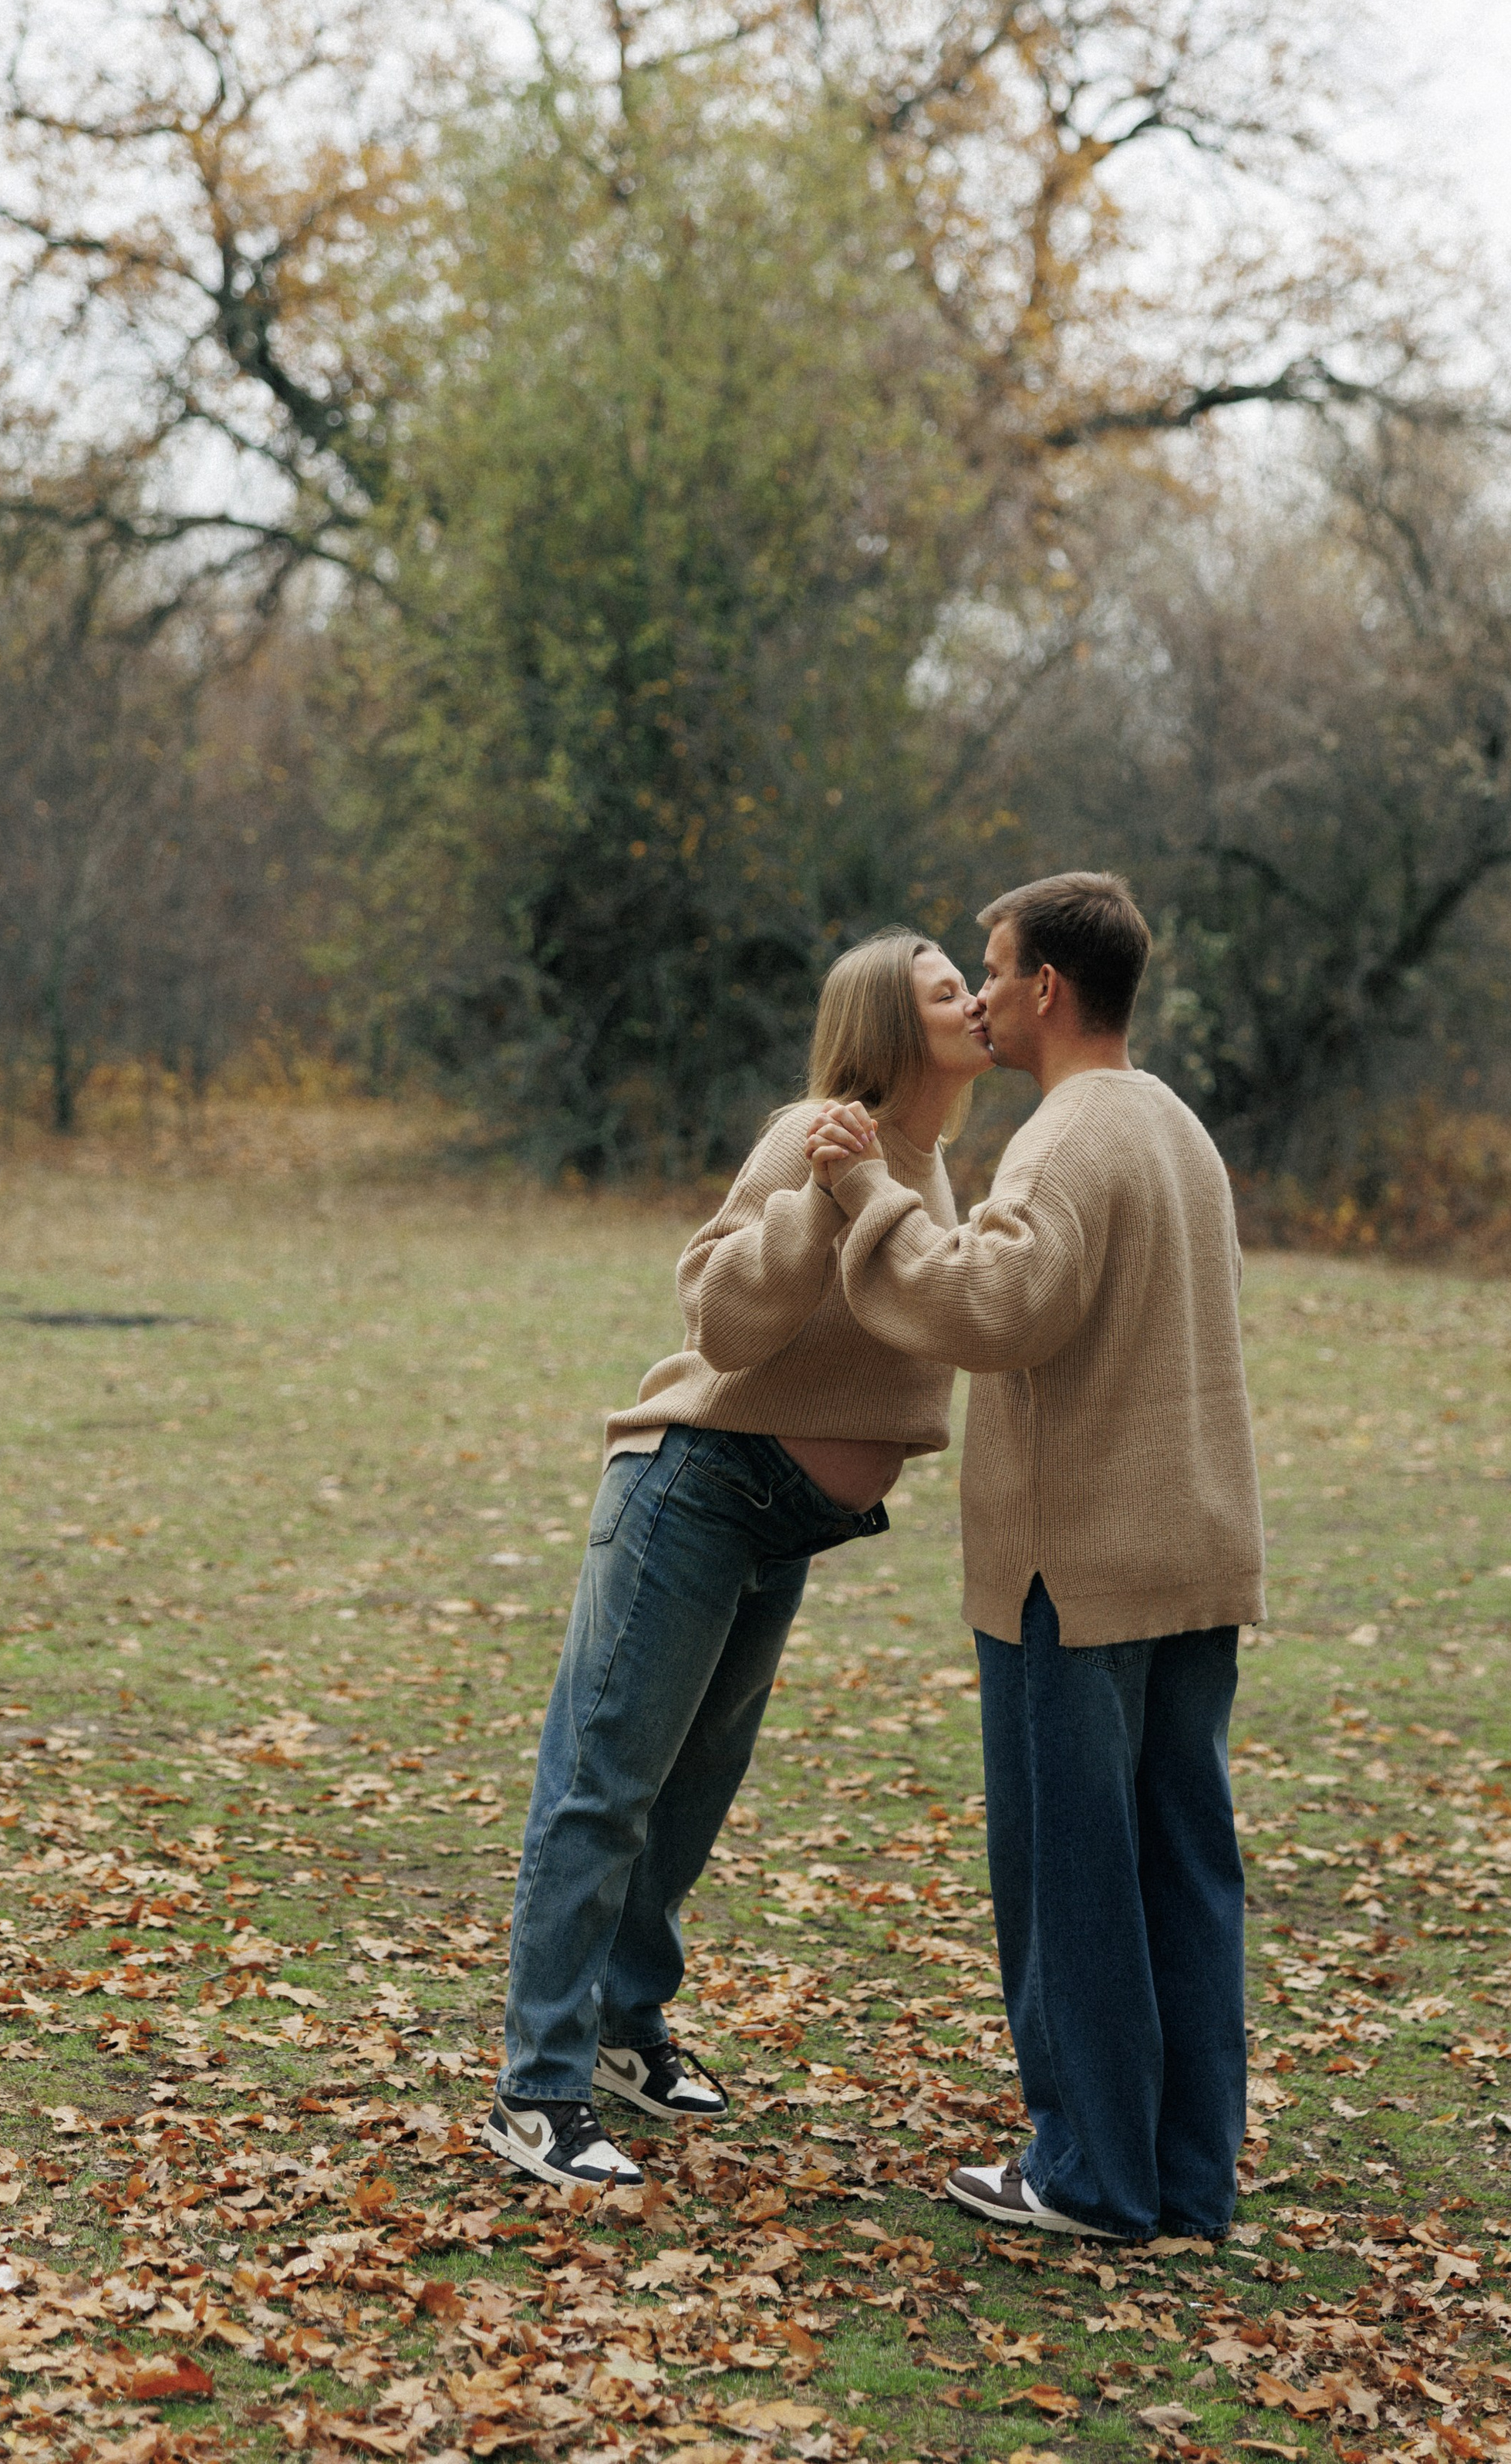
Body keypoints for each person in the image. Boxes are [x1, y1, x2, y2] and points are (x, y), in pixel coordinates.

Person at [483, 929, 992, 2196]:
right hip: (698, 1485)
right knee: (606, 1782)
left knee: (692, 1796)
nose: (978, 1000)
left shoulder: (935, 1168)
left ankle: (621, 2028)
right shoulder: (818, 1132)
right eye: (948, 989)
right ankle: (536, 2090)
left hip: (784, 1524)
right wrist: (817, 1201)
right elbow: (717, 1312)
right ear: (890, 1025)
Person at [806, 871, 1264, 2244]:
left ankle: (1090, 2175)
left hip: (1075, 1574)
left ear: (1049, 989)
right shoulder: (1178, 1128)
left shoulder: (1064, 1141)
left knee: (1073, 1877)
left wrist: (870, 1199)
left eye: (995, 973)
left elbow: (987, 1304)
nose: (983, 997)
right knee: (1183, 1867)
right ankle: (1185, 2177)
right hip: (1191, 1560)